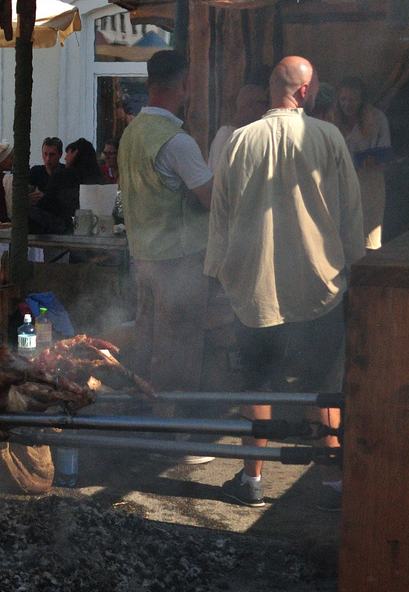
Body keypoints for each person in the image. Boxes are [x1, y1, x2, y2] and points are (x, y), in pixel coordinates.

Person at [205, 56, 364, 509]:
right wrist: (356, 264)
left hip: (256, 288)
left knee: (258, 384)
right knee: (322, 385)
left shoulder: (239, 141)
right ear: (307, 90)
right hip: (320, 287)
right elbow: (352, 212)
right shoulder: (329, 137)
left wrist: (218, 274)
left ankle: (252, 480)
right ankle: (333, 484)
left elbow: (220, 217)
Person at [117, 50, 214, 399]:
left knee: (147, 339)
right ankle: (174, 433)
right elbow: (210, 198)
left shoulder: (131, 134)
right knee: (181, 343)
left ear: (148, 82)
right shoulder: (178, 141)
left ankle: (145, 420)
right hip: (178, 260)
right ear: (186, 86)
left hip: (142, 257)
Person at [333, 77, 393, 249]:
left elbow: (385, 151)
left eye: (352, 99)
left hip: (369, 182)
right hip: (341, 183)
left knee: (368, 236)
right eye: (343, 99)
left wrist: (375, 161)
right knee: (342, 235)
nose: (347, 104)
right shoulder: (331, 119)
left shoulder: (377, 118)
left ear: (362, 100)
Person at [209, 67, 272, 176]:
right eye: (265, 103)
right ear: (250, 105)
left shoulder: (249, 133)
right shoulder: (226, 135)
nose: (267, 108)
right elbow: (218, 176)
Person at [27, 137, 78, 234]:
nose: (48, 159)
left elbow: (67, 206)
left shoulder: (66, 174)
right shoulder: (36, 172)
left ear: (60, 155)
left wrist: (45, 198)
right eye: (45, 154)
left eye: (52, 155)